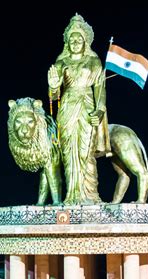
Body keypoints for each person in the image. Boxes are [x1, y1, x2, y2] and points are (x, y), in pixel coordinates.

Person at [48, 14, 111, 205]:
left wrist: (99, 111)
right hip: (67, 108)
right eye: (72, 38)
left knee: (86, 151)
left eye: (79, 38)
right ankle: (71, 196)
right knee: (69, 153)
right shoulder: (60, 63)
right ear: (67, 41)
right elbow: (53, 97)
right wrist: (52, 86)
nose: (75, 42)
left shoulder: (94, 62)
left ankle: (90, 196)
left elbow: (100, 89)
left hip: (87, 107)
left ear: (86, 41)